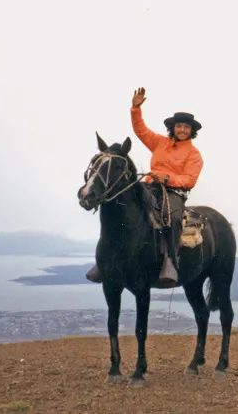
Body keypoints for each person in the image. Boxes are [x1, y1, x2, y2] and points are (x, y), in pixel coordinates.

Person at [86, 87, 204, 286]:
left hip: (173, 193)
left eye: (186, 127)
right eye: (179, 126)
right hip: (149, 186)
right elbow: (141, 131)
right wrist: (135, 108)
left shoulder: (194, 154)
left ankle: (170, 261)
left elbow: (189, 180)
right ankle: (104, 260)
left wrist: (165, 178)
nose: (182, 130)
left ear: (192, 131)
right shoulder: (160, 142)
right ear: (173, 128)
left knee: (173, 218)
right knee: (120, 205)